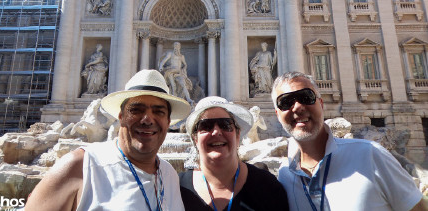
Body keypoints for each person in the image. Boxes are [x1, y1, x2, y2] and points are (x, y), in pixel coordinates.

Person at [25, 69, 191, 211]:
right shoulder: (80, 166)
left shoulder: (169, 174)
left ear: (168, 121)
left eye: (158, 111)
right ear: (121, 116)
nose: (148, 119)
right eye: (136, 110)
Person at [271, 71, 427, 211]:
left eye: (306, 97)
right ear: (277, 114)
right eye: (286, 102)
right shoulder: (285, 176)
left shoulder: (370, 155)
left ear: (321, 104)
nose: (297, 107)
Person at [179, 96, 289, 211]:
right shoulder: (176, 188)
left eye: (225, 125)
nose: (216, 132)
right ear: (195, 139)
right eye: (206, 126)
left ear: (237, 135)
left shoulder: (267, 186)